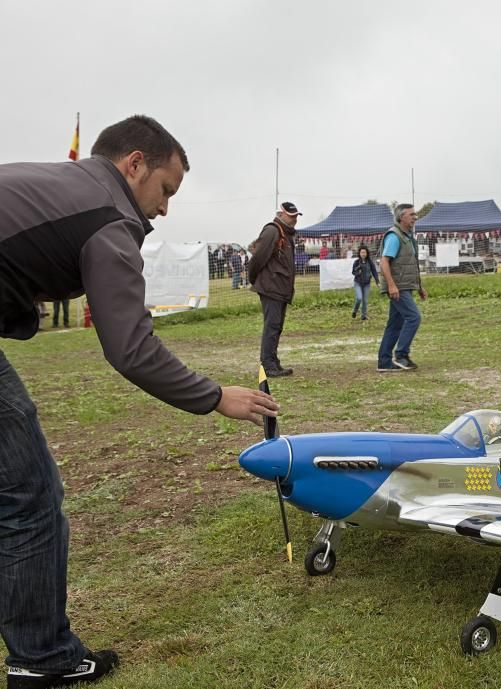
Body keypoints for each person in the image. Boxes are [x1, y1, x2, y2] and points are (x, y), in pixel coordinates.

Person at [0, 115, 279, 688]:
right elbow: (129, 346)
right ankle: (41, 659)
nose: (164, 209)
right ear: (133, 164)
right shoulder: (109, 213)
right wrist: (215, 396)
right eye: (165, 191)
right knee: (28, 494)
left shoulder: (62, 184)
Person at [247, 202, 301, 377]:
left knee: (276, 327)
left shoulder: (286, 234)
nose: (294, 219)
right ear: (281, 214)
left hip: (280, 288)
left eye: (296, 216)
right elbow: (258, 258)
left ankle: (273, 362)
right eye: (291, 216)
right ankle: (268, 365)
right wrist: (254, 279)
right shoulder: (273, 231)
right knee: (272, 326)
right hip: (271, 287)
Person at [377, 204, 427, 372]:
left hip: (405, 286)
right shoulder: (394, 236)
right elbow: (384, 262)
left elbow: (410, 264)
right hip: (398, 287)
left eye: (415, 214)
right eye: (411, 214)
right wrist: (391, 285)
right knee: (414, 317)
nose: (415, 217)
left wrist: (419, 286)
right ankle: (401, 355)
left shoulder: (407, 236)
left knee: (395, 324)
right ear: (401, 217)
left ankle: (384, 362)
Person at [351, 245, 379, 321]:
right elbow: (353, 272)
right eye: (361, 252)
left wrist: (377, 281)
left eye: (364, 252)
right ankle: (355, 311)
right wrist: (358, 272)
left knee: (365, 300)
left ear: (367, 253)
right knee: (359, 298)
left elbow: (374, 272)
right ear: (359, 253)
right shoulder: (356, 262)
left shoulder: (370, 262)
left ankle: (363, 316)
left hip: (367, 283)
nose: (363, 254)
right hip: (358, 283)